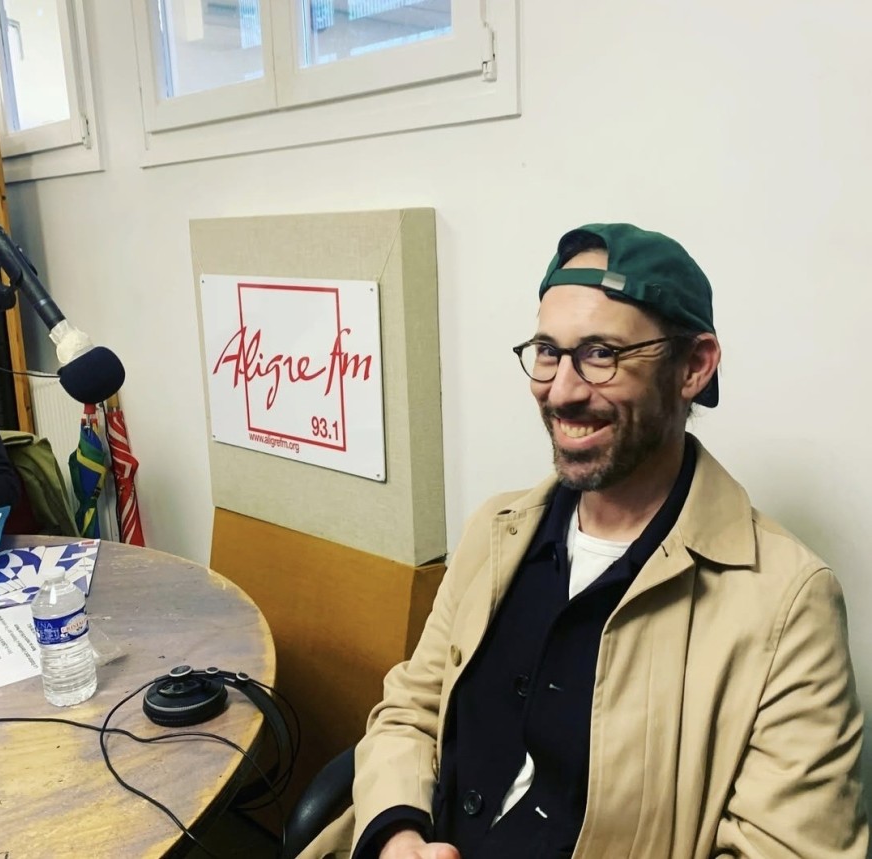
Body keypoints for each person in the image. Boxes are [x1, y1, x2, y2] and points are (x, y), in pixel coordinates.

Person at [300, 223, 868, 859]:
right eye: (548, 351)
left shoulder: (788, 606)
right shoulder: (496, 530)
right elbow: (412, 711)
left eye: (602, 354)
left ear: (693, 366)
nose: (563, 391)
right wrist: (396, 834)